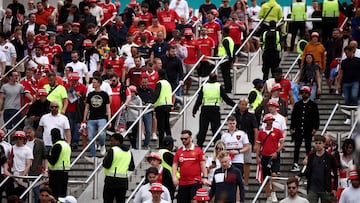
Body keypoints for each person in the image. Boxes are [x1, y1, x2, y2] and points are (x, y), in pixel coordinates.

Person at [192, 73, 236, 148]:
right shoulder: (218, 86)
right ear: (216, 78)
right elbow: (226, 99)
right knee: (216, 130)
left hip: (205, 109)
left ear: (209, 78)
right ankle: (218, 147)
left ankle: (199, 146)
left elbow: (199, 100)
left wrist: (195, 109)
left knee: (203, 130)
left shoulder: (204, 86)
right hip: (215, 110)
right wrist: (235, 105)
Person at [172, 130, 210, 202]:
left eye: (185, 139)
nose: (183, 140)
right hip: (183, 182)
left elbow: (202, 164)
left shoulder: (198, 150)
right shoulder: (179, 152)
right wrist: (174, 177)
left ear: (190, 138)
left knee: (195, 201)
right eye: (182, 139)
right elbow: (175, 165)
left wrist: (205, 177)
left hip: (195, 182)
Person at [256, 114, 285, 202]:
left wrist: (276, 151)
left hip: (274, 155)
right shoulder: (261, 132)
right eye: (269, 120)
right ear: (265, 122)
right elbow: (258, 145)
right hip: (264, 156)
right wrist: (257, 156)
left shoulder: (277, 131)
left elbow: (282, 143)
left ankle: (273, 192)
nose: (271, 122)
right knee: (266, 177)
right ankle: (268, 196)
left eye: (272, 120)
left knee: (274, 174)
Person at [290, 86, 319, 172]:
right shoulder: (297, 104)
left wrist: (315, 127)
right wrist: (292, 127)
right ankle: (295, 163)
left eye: (306, 93)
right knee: (297, 146)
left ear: (309, 94)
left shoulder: (313, 105)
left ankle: (309, 162)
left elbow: (316, 117)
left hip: (308, 129)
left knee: (308, 146)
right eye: (302, 92)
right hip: (298, 129)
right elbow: (293, 117)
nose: (304, 94)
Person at [83, 76, 111, 162]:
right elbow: (87, 108)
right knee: (90, 137)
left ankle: (102, 145)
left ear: (99, 83)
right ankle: (93, 155)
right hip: (91, 118)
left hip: (102, 117)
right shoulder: (90, 94)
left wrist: (109, 119)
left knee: (102, 134)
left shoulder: (104, 94)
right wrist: (84, 119)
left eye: (94, 82)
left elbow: (108, 108)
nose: (93, 84)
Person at [103, 133, 135, 203]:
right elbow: (132, 167)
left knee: (108, 200)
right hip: (123, 181)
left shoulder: (113, 150)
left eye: (112, 141)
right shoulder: (129, 152)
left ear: (117, 141)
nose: (110, 143)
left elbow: (106, 165)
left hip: (111, 180)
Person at [305, 135, 338, 203]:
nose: (318, 145)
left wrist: (335, 188)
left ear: (324, 144)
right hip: (312, 188)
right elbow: (308, 170)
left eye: (320, 143)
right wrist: (300, 174)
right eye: (316, 143)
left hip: (325, 188)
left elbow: (335, 173)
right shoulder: (311, 156)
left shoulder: (329, 157)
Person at [234, 97, 258, 188]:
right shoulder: (235, 115)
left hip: (248, 142)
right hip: (236, 142)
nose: (243, 106)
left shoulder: (251, 116)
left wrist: (256, 144)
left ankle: (246, 182)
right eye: (242, 104)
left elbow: (255, 130)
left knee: (247, 162)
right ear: (239, 105)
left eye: (245, 105)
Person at [337, 45, 360, 124]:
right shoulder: (344, 62)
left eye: (347, 53)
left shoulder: (358, 60)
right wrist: (338, 84)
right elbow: (341, 73)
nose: (346, 54)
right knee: (347, 100)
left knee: (354, 96)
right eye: (345, 53)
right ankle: (348, 117)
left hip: (355, 82)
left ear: (351, 52)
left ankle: (356, 114)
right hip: (346, 82)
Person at [7, 130, 33, 198]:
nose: (18, 140)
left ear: (23, 139)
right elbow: (8, 161)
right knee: (10, 196)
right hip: (12, 174)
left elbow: (28, 165)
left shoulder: (27, 149)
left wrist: (22, 177)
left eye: (20, 138)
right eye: (16, 138)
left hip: (22, 175)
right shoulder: (11, 148)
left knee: (21, 197)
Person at [24, 125, 47, 203]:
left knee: (37, 192)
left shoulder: (40, 142)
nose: (28, 135)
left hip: (36, 171)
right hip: (23, 171)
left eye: (29, 133)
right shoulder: (22, 142)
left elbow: (45, 157)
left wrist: (46, 169)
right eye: (26, 133)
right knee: (24, 193)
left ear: (33, 132)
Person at [47, 128, 71, 199]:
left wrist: (47, 155)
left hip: (56, 174)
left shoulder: (57, 145)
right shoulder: (66, 145)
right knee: (63, 196)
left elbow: (53, 161)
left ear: (52, 136)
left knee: (55, 196)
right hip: (65, 173)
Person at [153, 69, 173, 147]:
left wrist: (152, 102)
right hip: (168, 106)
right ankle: (170, 144)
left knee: (161, 127)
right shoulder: (168, 83)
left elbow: (157, 94)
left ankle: (161, 144)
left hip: (161, 107)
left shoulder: (159, 83)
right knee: (167, 126)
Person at [218, 27, 234, 93]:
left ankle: (227, 89)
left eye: (222, 31)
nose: (221, 32)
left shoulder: (225, 40)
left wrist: (230, 60)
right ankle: (229, 88)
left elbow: (228, 51)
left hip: (225, 59)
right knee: (227, 75)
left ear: (225, 32)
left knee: (225, 75)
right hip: (227, 59)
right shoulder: (230, 39)